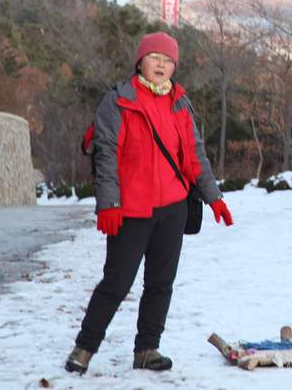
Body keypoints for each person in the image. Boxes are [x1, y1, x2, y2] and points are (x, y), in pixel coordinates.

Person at [65, 31, 234, 373]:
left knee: (160, 283)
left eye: (168, 59)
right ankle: (84, 347)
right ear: (140, 60)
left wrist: (214, 197)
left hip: (172, 208)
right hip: (131, 209)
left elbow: (195, 155)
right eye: (155, 56)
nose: (161, 64)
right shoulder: (118, 101)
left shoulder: (180, 103)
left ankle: (147, 349)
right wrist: (108, 204)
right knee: (116, 282)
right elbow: (106, 155)